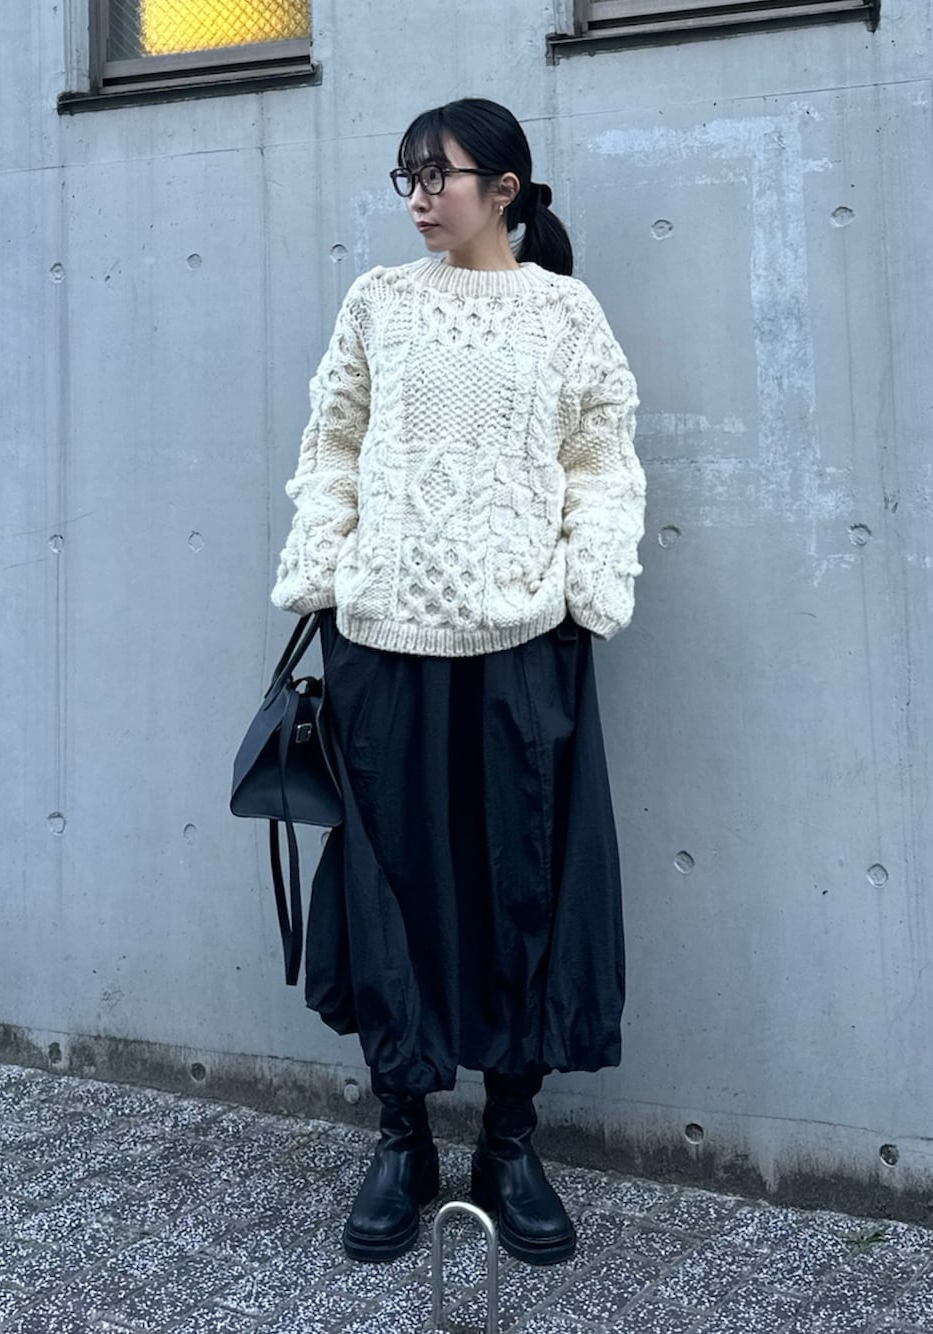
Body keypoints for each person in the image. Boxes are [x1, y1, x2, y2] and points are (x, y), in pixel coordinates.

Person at [271, 97, 646, 1266]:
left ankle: (509, 1142)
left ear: (506, 189)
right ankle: (401, 1138)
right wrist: (326, 568)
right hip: (381, 646)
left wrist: (585, 588)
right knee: (390, 886)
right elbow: (331, 443)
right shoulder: (377, 302)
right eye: (409, 177)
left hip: (524, 645)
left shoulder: (564, 313)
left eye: (442, 175)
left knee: (524, 886)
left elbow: (604, 460)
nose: (422, 196)